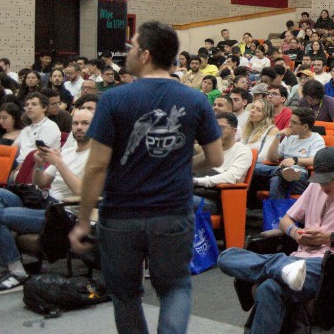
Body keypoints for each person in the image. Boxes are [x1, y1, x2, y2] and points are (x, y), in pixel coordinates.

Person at [69, 21, 224, 334]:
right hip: (172, 214)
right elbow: (216, 158)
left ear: (146, 54)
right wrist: (184, 165)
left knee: (125, 295)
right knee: (176, 288)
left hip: (121, 217)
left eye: (132, 46)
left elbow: (97, 166)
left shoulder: (113, 99)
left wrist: (84, 221)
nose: (127, 51)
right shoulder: (195, 100)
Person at [217, 148, 334, 334]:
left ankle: (280, 266)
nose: (323, 185)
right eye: (320, 180)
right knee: (227, 256)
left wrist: (331, 237)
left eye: (328, 180)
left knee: (268, 286)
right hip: (297, 259)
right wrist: (295, 233)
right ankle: (284, 268)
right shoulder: (314, 187)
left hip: (329, 265)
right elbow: (284, 221)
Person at [0, 109, 91, 293]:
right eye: (76, 123)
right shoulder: (67, 152)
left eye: (85, 124)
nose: (78, 127)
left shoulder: (96, 156)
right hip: (44, 203)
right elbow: (42, 182)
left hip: (63, 214)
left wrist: (59, 163)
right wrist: (38, 165)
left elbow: (83, 192)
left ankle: (17, 272)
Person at [254, 107, 326, 200]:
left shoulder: (316, 139)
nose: (289, 125)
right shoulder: (290, 137)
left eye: (294, 123)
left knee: (278, 178)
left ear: (305, 127)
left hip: (300, 176)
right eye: (290, 121)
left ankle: (279, 173)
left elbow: (316, 159)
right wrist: (278, 136)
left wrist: (295, 160)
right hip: (283, 173)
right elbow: (271, 158)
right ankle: (279, 172)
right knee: (253, 167)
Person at [192, 113, 254, 213]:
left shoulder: (243, 150)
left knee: (175, 200)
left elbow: (231, 177)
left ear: (234, 131)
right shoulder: (212, 149)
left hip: (219, 200)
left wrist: (197, 181)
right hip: (198, 192)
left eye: (221, 128)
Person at [12, 92, 62, 165]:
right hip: (19, 165)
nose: (29, 107)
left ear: (44, 108)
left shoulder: (50, 126)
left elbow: (40, 154)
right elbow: (13, 149)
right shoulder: (26, 130)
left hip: (39, 167)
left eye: (34, 104)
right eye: (27, 105)